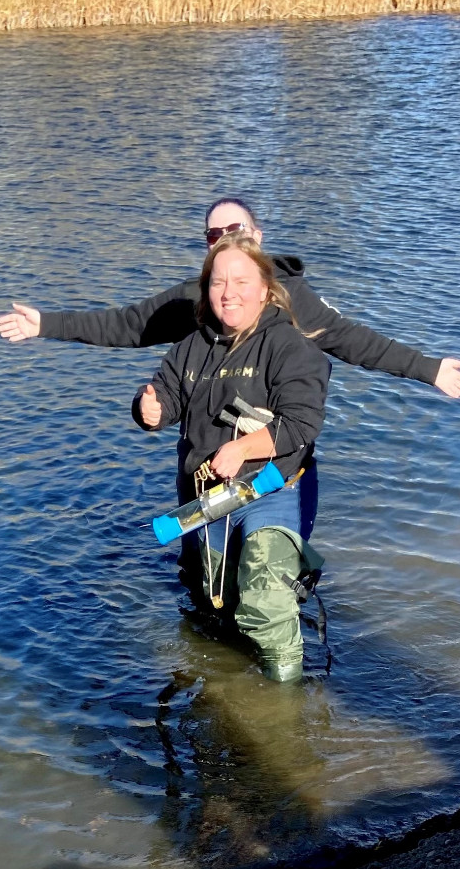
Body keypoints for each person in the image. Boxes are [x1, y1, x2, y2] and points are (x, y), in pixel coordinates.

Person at [0, 196, 460, 400]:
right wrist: (45, 324)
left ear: (257, 235)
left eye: (236, 228)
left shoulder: (293, 298)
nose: (225, 237)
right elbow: (126, 326)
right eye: (214, 234)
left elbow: (353, 341)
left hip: (273, 439)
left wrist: (428, 369)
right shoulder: (195, 300)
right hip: (206, 443)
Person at [136, 232, 329, 683]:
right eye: (218, 282)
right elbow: (165, 394)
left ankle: (285, 709)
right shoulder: (191, 346)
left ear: (265, 287)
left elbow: (302, 424)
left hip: (270, 491)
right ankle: (230, 691)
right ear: (206, 291)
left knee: (264, 603)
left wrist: (243, 447)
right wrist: (149, 410)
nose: (229, 292)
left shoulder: (288, 345)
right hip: (208, 501)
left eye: (241, 281)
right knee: (214, 607)